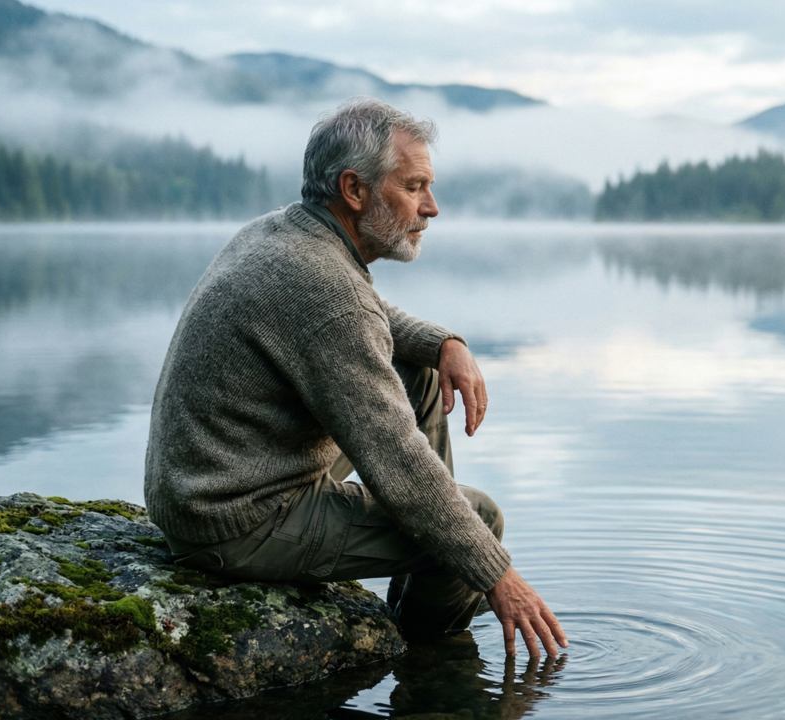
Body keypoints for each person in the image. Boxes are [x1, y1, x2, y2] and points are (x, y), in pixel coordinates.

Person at [143, 97, 567, 658]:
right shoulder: (326, 291)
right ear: (354, 189)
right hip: (233, 521)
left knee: (416, 372)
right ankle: (424, 654)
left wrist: (445, 343)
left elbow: (368, 319)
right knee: (479, 521)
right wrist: (496, 574)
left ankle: (427, 565)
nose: (431, 207)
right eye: (414, 187)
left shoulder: (285, 235)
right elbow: (393, 451)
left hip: (205, 484)